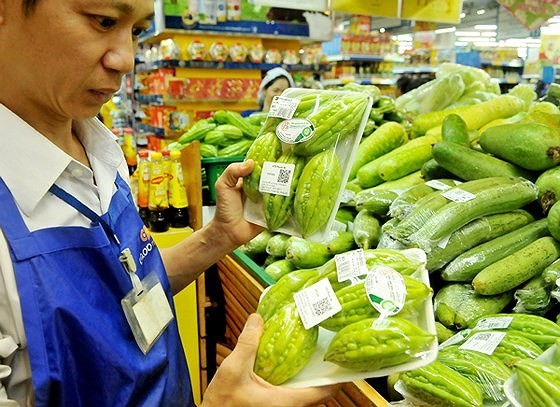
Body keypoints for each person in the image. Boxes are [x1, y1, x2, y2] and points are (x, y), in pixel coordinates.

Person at [0, 1, 339, 405]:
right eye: (104, 21)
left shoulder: (99, 147)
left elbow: (125, 289)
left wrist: (219, 236)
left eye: (137, 31)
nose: (126, 59)